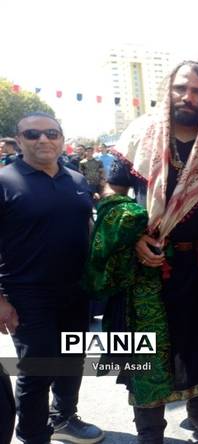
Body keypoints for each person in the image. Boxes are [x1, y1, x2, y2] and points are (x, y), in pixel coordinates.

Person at [103, 61, 198, 443]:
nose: (188, 97)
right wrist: (134, 237)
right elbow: (111, 191)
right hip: (149, 264)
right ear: (168, 89)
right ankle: (150, 431)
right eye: (181, 88)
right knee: (147, 351)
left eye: (197, 91)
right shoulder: (140, 133)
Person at [0, 112, 103, 444]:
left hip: (76, 290)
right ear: (19, 140)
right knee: (38, 368)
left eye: (51, 133)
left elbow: (87, 227)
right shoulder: (5, 181)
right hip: (27, 294)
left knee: (72, 359)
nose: (43, 139)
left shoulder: (77, 180)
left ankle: (63, 418)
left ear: (61, 138)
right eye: (33, 134)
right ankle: (32, 434)